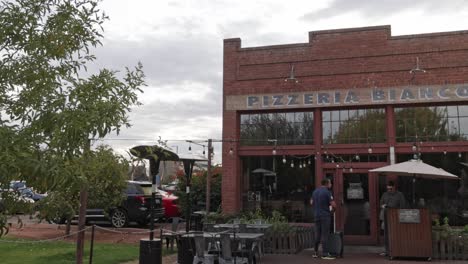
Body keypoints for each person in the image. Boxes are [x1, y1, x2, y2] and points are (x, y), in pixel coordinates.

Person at [311, 178, 337, 260]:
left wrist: (317, 207)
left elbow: (311, 202)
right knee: (325, 235)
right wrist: (333, 211)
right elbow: (334, 205)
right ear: (327, 184)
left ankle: (315, 252)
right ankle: (325, 254)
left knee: (317, 234)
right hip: (325, 216)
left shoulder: (315, 191)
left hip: (316, 215)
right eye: (330, 183)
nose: (331, 184)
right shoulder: (327, 192)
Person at [379, 181, 407, 256]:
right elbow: (380, 203)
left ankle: (396, 250)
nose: (389, 191)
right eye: (388, 189)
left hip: (395, 217)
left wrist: (395, 210)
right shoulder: (385, 194)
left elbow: (402, 206)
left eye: (391, 189)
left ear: (394, 187)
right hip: (385, 216)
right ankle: (387, 251)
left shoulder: (399, 195)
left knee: (395, 234)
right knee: (386, 234)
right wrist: (383, 206)